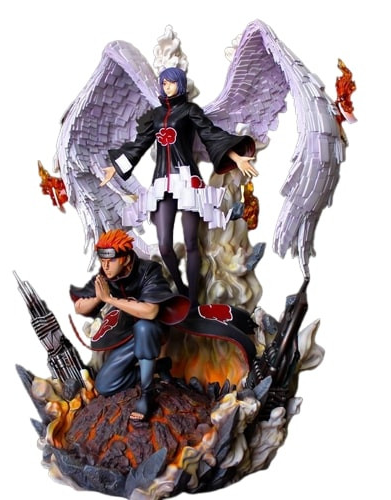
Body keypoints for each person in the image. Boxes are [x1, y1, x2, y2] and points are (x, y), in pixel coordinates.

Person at [101, 67, 258, 307]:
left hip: (187, 181)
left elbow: (210, 134)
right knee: (164, 245)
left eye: (171, 82)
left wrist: (236, 158)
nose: (167, 86)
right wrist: (116, 166)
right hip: (162, 183)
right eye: (164, 83)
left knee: (192, 243)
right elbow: (138, 144)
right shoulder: (155, 115)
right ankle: (181, 287)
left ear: (180, 84)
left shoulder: (190, 110)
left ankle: (194, 300)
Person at [70, 229, 190, 420]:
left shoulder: (148, 270)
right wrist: (98, 298)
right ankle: (158, 367)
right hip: (127, 337)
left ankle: (147, 393)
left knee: (144, 327)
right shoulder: (105, 276)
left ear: (125, 259)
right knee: (105, 385)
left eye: (111, 261)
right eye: (102, 260)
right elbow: (79, 307)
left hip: (152, 333)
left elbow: (151, 311)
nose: (105, 266)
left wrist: (110, 299)